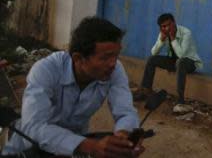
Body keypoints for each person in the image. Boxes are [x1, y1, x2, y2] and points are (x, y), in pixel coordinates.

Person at [1, 17, 144, 158]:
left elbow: (125, 112)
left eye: (116, 56)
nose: (113, 63)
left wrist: (123, 139)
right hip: (29, 149)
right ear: (78, 58)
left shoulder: (114, 70)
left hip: (75, 149)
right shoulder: (46, 70)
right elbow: (34, 127)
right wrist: (90, 146)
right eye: (105, 57)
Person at [133, 13, 203, 114]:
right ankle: (145, 90)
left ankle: (180, 101)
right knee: (152, 59)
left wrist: (173, 38)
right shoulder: (163, 33)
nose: (167, 28)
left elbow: (181, 55)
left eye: (169, 24)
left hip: (189, 62)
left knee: (180, 62)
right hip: (174, 61)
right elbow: (153, 52)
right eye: (164, 26)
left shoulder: (186, 32)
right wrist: (161, 40)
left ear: (174, 22)